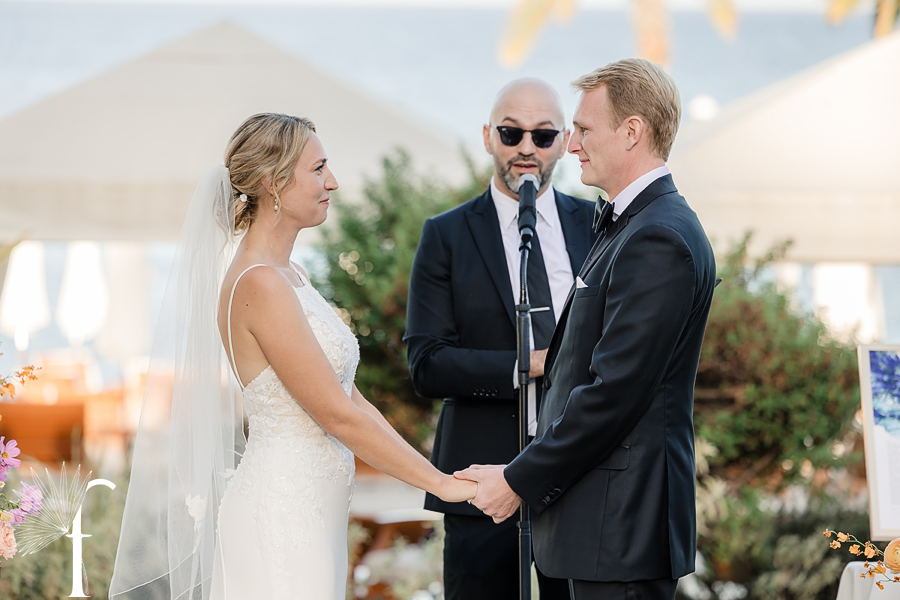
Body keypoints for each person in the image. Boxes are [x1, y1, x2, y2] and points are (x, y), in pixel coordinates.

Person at [110, 113, 476, 600]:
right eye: (319, 168)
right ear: (273, 183)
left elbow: (352, 399)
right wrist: (441, 487)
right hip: (280, 515)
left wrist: (436, 472)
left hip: (313, 510)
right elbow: (336, 415)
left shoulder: (291, 275)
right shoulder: (260, 284)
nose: (333, 182)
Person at [457, 59, 717, 600]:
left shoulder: (658, 238)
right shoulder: (635, 224)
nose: (571, 145)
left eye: (584, 129)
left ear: (632, 131)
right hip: (602, 526)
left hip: (620, 525)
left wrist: (517, 481)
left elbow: (612, 394)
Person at [405, 79, 597, 600]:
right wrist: (530, 363)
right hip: (478, 482)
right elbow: (426, 362)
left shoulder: (599, 223)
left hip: (578, 477)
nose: (526, 149)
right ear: (489, 136)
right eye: (512, 133)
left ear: (563, 140)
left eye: (543, 134)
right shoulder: (445, 234)